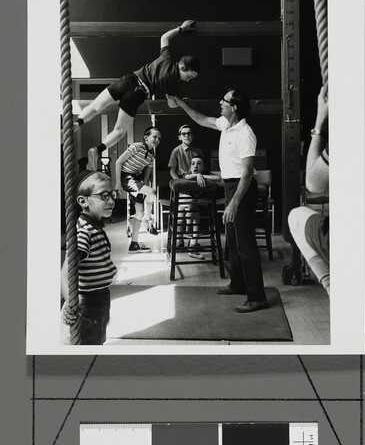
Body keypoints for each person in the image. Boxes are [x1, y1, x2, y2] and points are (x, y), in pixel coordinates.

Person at [167, 89, 268, 313]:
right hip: (231, 186)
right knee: (232, 241)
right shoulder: (225, 124)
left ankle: (257, 297)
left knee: (246, 244)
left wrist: (233, 203)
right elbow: (201, 119)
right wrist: (181, 101)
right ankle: (238, 284)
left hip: (242, 188)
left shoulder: (245, 133)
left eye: (224, 100)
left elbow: (248, 172)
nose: (220, 102)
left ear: (234, 107)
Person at [75, 20, 198, 170]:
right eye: (190, 76)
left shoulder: (167, 57)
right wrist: (180, 101)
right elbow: (171, 103)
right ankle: (98, 149)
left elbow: (164, 38)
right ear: (183, 67)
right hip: (138, 94)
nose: (188, 80)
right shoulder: (173, 82)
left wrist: (181, 28)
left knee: (94, 106)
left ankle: (78, 122)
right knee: (119, 131)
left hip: (128, 80)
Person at [61, 170, 118, 345]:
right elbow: (65, 273)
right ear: (83, 201)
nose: (111, 201)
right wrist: (70, 303)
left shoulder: (95, 227)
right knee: (88, 344)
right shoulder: (84, 232)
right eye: (104, 196)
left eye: (112, 194)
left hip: (100, 298)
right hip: (88, 302)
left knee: (97, 340)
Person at [288, 87, 330, 296]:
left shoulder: (350, 138)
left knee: (296, 216)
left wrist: (319, 123)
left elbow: (313, 184)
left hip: (349, 237)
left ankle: (331, 285)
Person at [115, 126, 161, 254]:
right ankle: (147, 220)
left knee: (139, 211)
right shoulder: (136, 146)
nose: (157, 140)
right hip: (126, 177)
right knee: (152, 193)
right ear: (146, 138)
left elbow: (146, 178)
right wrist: (118, 183)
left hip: (137, 180)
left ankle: (134, 245)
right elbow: (118, 162)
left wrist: (144, 192)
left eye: (159, 138)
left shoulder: (152, 156)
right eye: (154, 137)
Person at [177, 156, 221, 260]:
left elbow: (218, 178)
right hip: (181, 201)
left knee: (195, 211)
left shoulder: (206, 174)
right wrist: (197, 175)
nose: (195, 165)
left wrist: (202, 176)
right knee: (191, 203)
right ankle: (183, 235)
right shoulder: (187, 173)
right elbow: (187, 178)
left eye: (199, 163)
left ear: (204, 166)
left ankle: (192, 246)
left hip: (192, 204)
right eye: (193, 163)